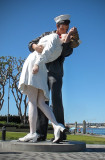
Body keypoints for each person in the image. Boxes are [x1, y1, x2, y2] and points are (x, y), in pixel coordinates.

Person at [28, 14, 79, 142]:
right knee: (42, 101)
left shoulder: (69, 37)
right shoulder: (46, 34)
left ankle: (61, 134)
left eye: (67, 28)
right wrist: (36, 47)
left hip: (55, 73)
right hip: (41, 72)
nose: (65, 30)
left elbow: (66, 53)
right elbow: (30, 44)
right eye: (63, 28)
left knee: (56, 100)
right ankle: (40, 133)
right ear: (57, 26)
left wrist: (68, 39)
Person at [18, 33, 67, 143]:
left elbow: (45, 52)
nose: (65, 35)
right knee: (40, 102)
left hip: (35, 64)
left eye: (67, 35)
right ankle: (56, 125)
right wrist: (35, 47)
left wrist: (36, 64)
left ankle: (32, 133)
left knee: (32, 101)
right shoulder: (59, 48)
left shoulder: (55, 37)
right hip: (42, 68)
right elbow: (39, 49)